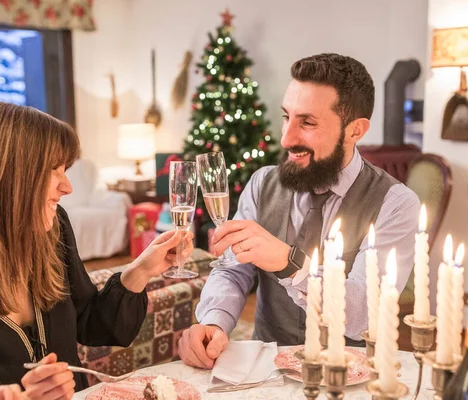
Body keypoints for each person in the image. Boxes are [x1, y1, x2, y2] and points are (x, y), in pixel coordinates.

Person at [0, 101, 193, 399]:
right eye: (54, 170)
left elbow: (91, 324)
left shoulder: (51, 231)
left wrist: (141, 269)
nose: (68, 187)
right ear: (5, 178)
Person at [178, 53, 421, 369]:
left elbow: (365, 313)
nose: (287, 138)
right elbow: (231, 269)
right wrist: (214, 321)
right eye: (286, 117)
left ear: (355, 130)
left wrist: (290, 263)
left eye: (307, 122)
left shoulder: (396, 203)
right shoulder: (263, 182)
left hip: (349, 374)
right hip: (266, 367)